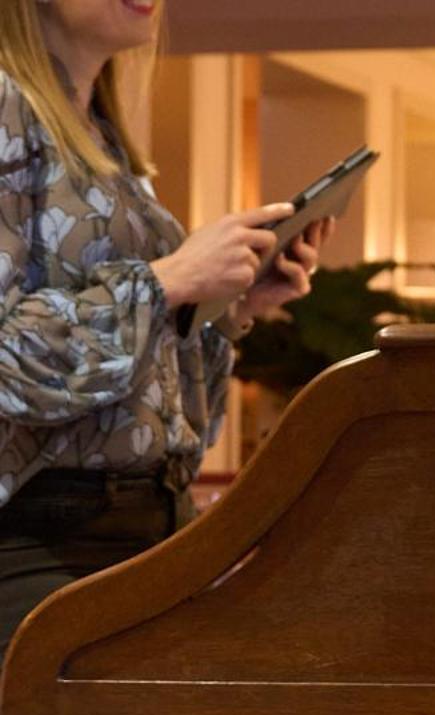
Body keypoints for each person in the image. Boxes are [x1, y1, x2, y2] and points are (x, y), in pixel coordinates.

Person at [1, 0, 328, 649]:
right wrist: (169, 280)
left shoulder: (102, 135)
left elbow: (153, 397)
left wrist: (221, 310)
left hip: (148, 521)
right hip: (42, 537)